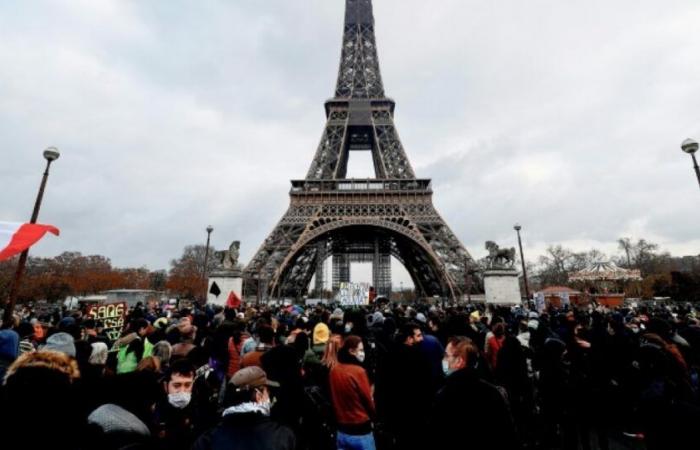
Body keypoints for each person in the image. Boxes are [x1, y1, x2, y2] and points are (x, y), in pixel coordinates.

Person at [430, 336, 519, 450]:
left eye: (447, 356)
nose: (444, 360)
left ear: (459, 361)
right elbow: (509, 435)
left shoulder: (445, 396)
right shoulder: (493, 393)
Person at [192, 366, 295, 450]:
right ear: (258, 395)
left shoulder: (208, 439)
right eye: (267, 392)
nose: (270, 398)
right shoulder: (282, 436)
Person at [329, 335, 376, 450]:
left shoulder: (334, 371)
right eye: (360, 350)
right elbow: (367, 400)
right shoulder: (359, 372)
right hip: (360, 430)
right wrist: (374, 417)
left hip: (342, 429)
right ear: (351, 351)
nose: (362, 353)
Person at [154, 359, 198, 450]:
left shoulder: (199, 410)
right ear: (166, 386)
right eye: (177, 385)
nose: (182, 391)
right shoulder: (157, 411)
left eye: (187, 385)